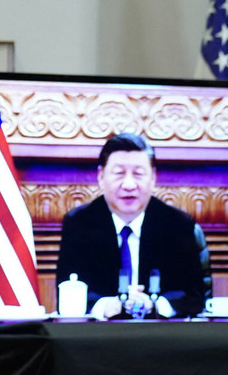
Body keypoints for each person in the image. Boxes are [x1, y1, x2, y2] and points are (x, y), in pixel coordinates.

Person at [55, 133, 210, 319]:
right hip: (99, 338)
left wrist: (155, 305)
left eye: (138, 174)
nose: (129, 185)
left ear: (153, 178)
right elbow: (69, 291)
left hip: (164, 338)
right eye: (119, 173)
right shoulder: (80, 224)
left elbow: (194, 295)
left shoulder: (177, 225)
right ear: (101, 176)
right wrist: (106, 305)